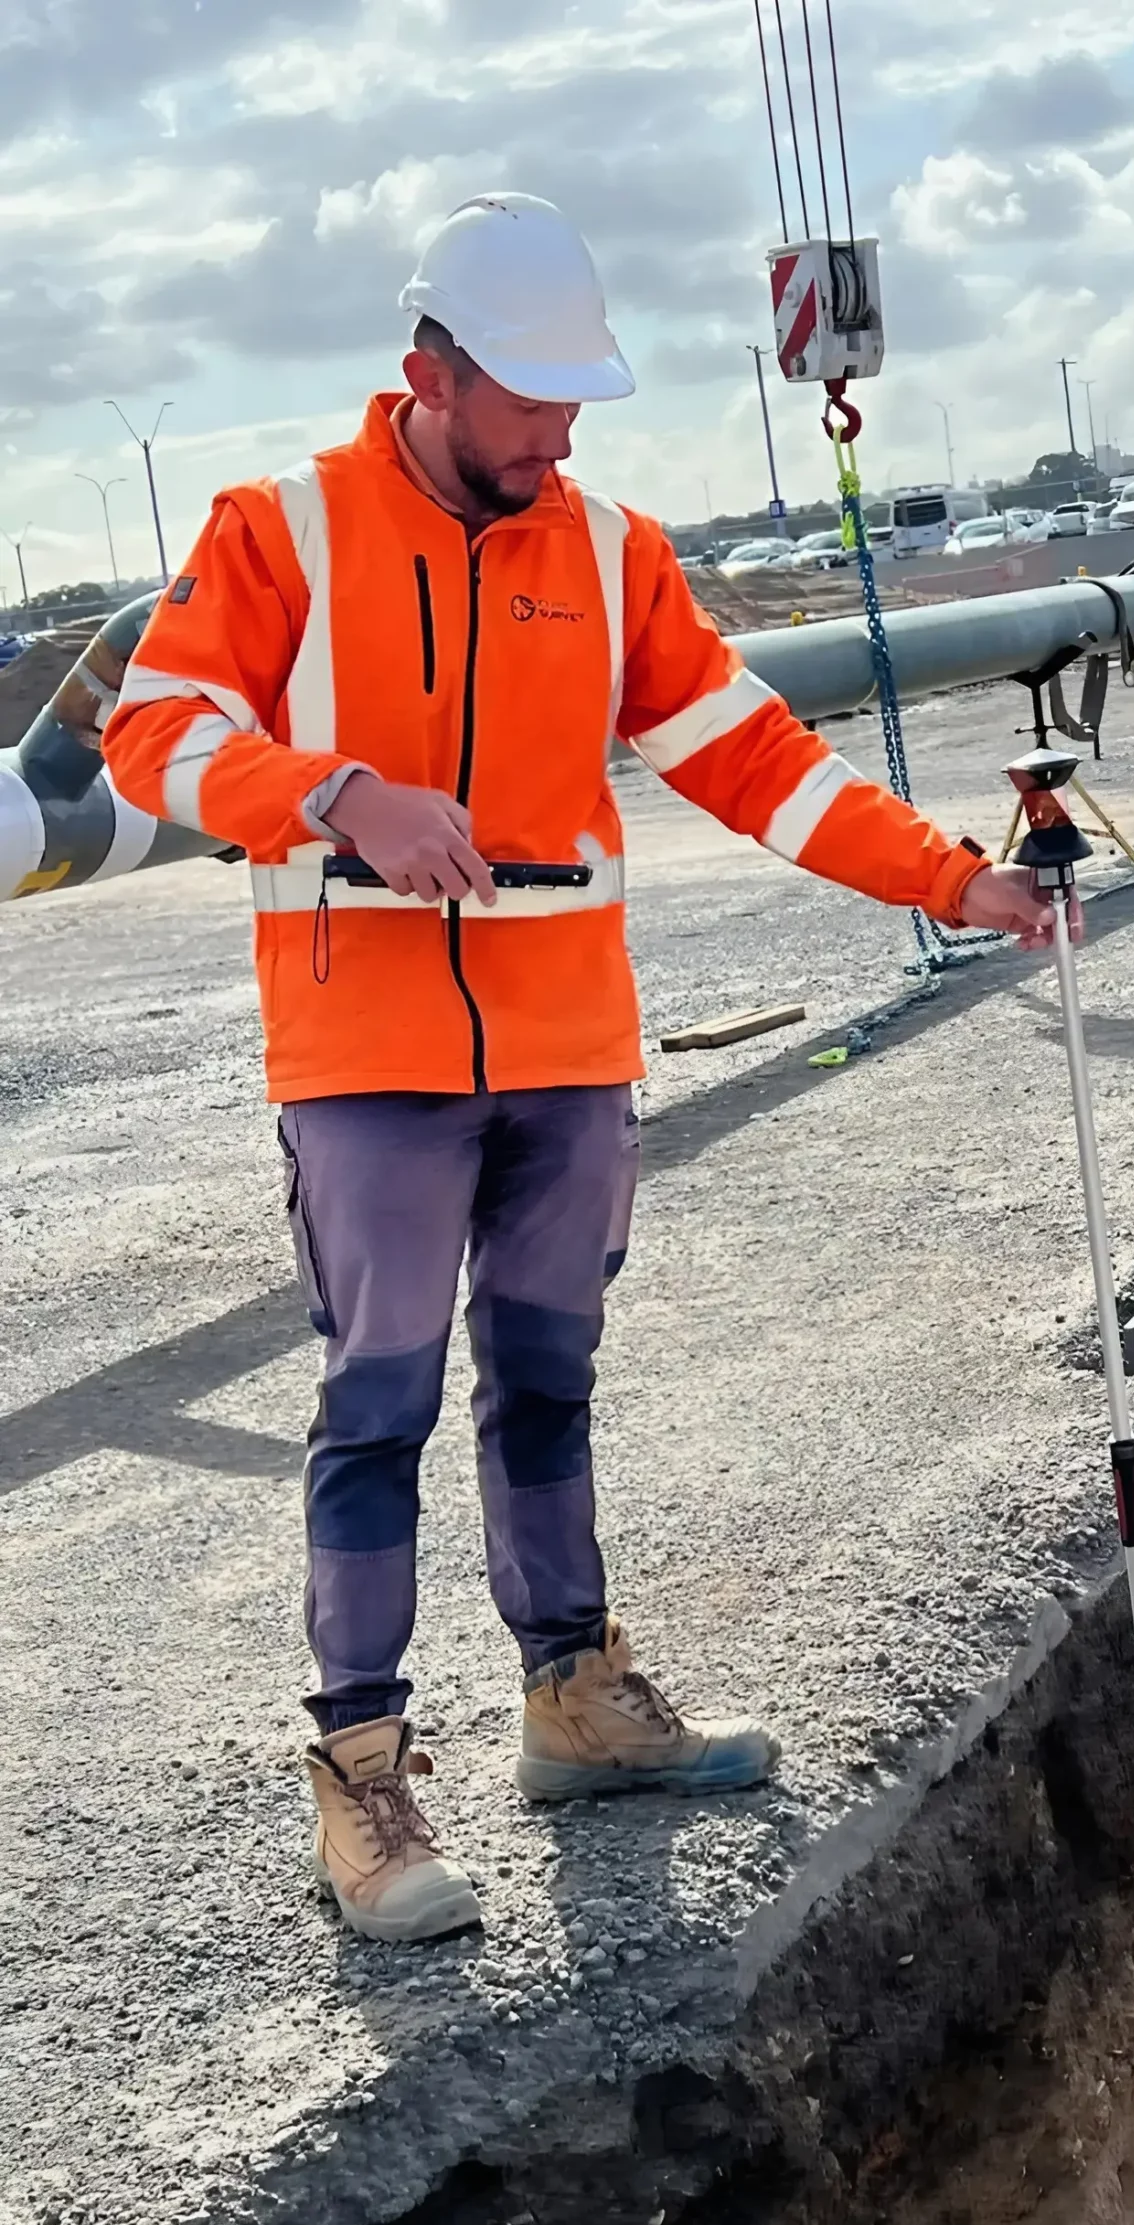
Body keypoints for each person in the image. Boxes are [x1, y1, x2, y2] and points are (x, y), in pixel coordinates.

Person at [103, 194, 1058, 1946]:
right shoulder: (283, 531)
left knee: (545, 1384)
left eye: (574, 403)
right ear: (430, 372)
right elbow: (152, 728)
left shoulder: (608, 553)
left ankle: (573, 1698)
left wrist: (954, 878)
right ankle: (365, 1776)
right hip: (368, 1061)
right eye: (527, 401)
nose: (556, 434)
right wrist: (335, 792)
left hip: (563, 1053)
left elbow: (753, 758)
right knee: (374, 1401)